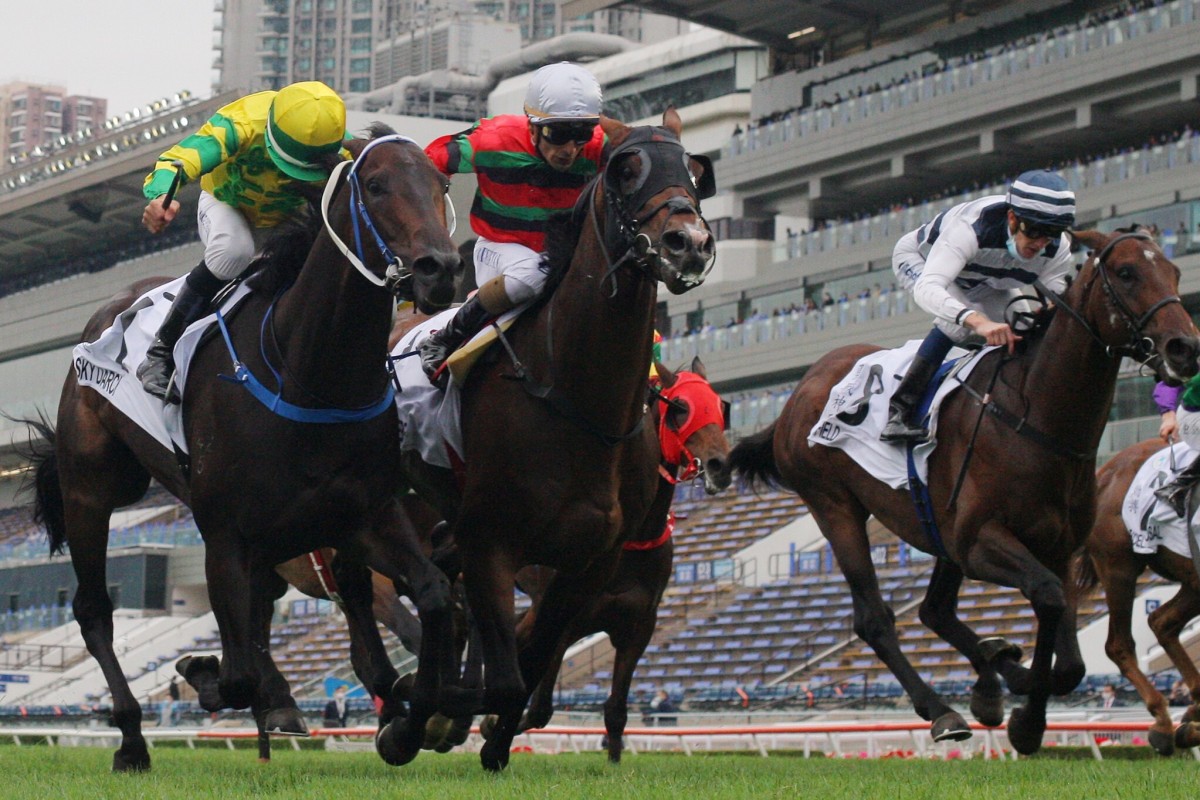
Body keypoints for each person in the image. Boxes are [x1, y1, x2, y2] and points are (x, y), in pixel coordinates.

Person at [137, 81, 348, 401]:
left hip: (286, 222)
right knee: (233, 250)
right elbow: (179, 161)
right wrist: (160, 197)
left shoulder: (339, 148)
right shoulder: (241, 123)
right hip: (228, 205)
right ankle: (161, 351)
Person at [418, 62, 605, 385]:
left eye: (581, 135)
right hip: (501, 247)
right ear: (532, 127)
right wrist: (435, 234)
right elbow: (426, 165)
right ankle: (445, 337)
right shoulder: (491, 141)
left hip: (562, 254)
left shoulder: (600, 149)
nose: (570, 150)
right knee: (534, 275)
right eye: (558, 135)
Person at [880, 170, 1076, 442]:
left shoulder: (1058, 251)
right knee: (955, 324)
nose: (1041, 243)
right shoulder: (970, 228)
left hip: (985, 279)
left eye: (1052, 233)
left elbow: (1060, 310)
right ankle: (899, 412)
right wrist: (978, 322)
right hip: (922, 262)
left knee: (1024, 332)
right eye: (1034, 231)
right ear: (1012, 218)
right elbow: (928, 288)